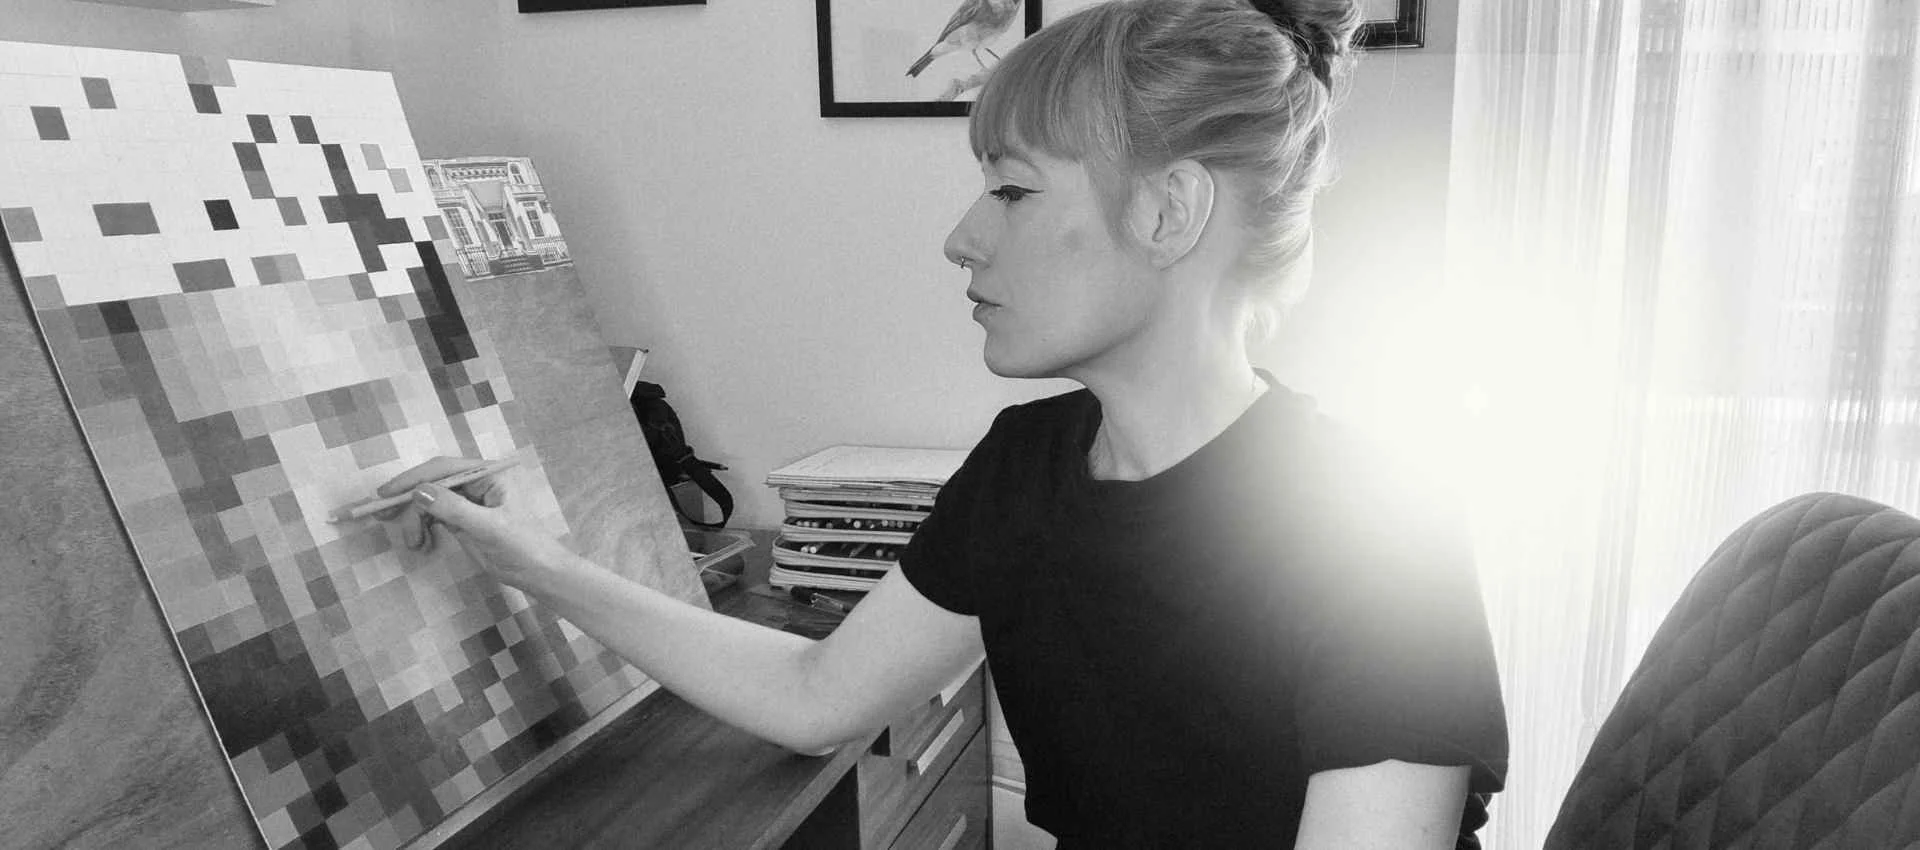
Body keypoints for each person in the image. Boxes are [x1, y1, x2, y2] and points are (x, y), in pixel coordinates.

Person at [381, 0, 1509, 846]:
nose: (962, 237)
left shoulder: (1381, 538)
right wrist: (526, 559)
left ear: (1169, 210)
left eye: (1012, 190)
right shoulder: (1028, 468)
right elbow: (814, 698)